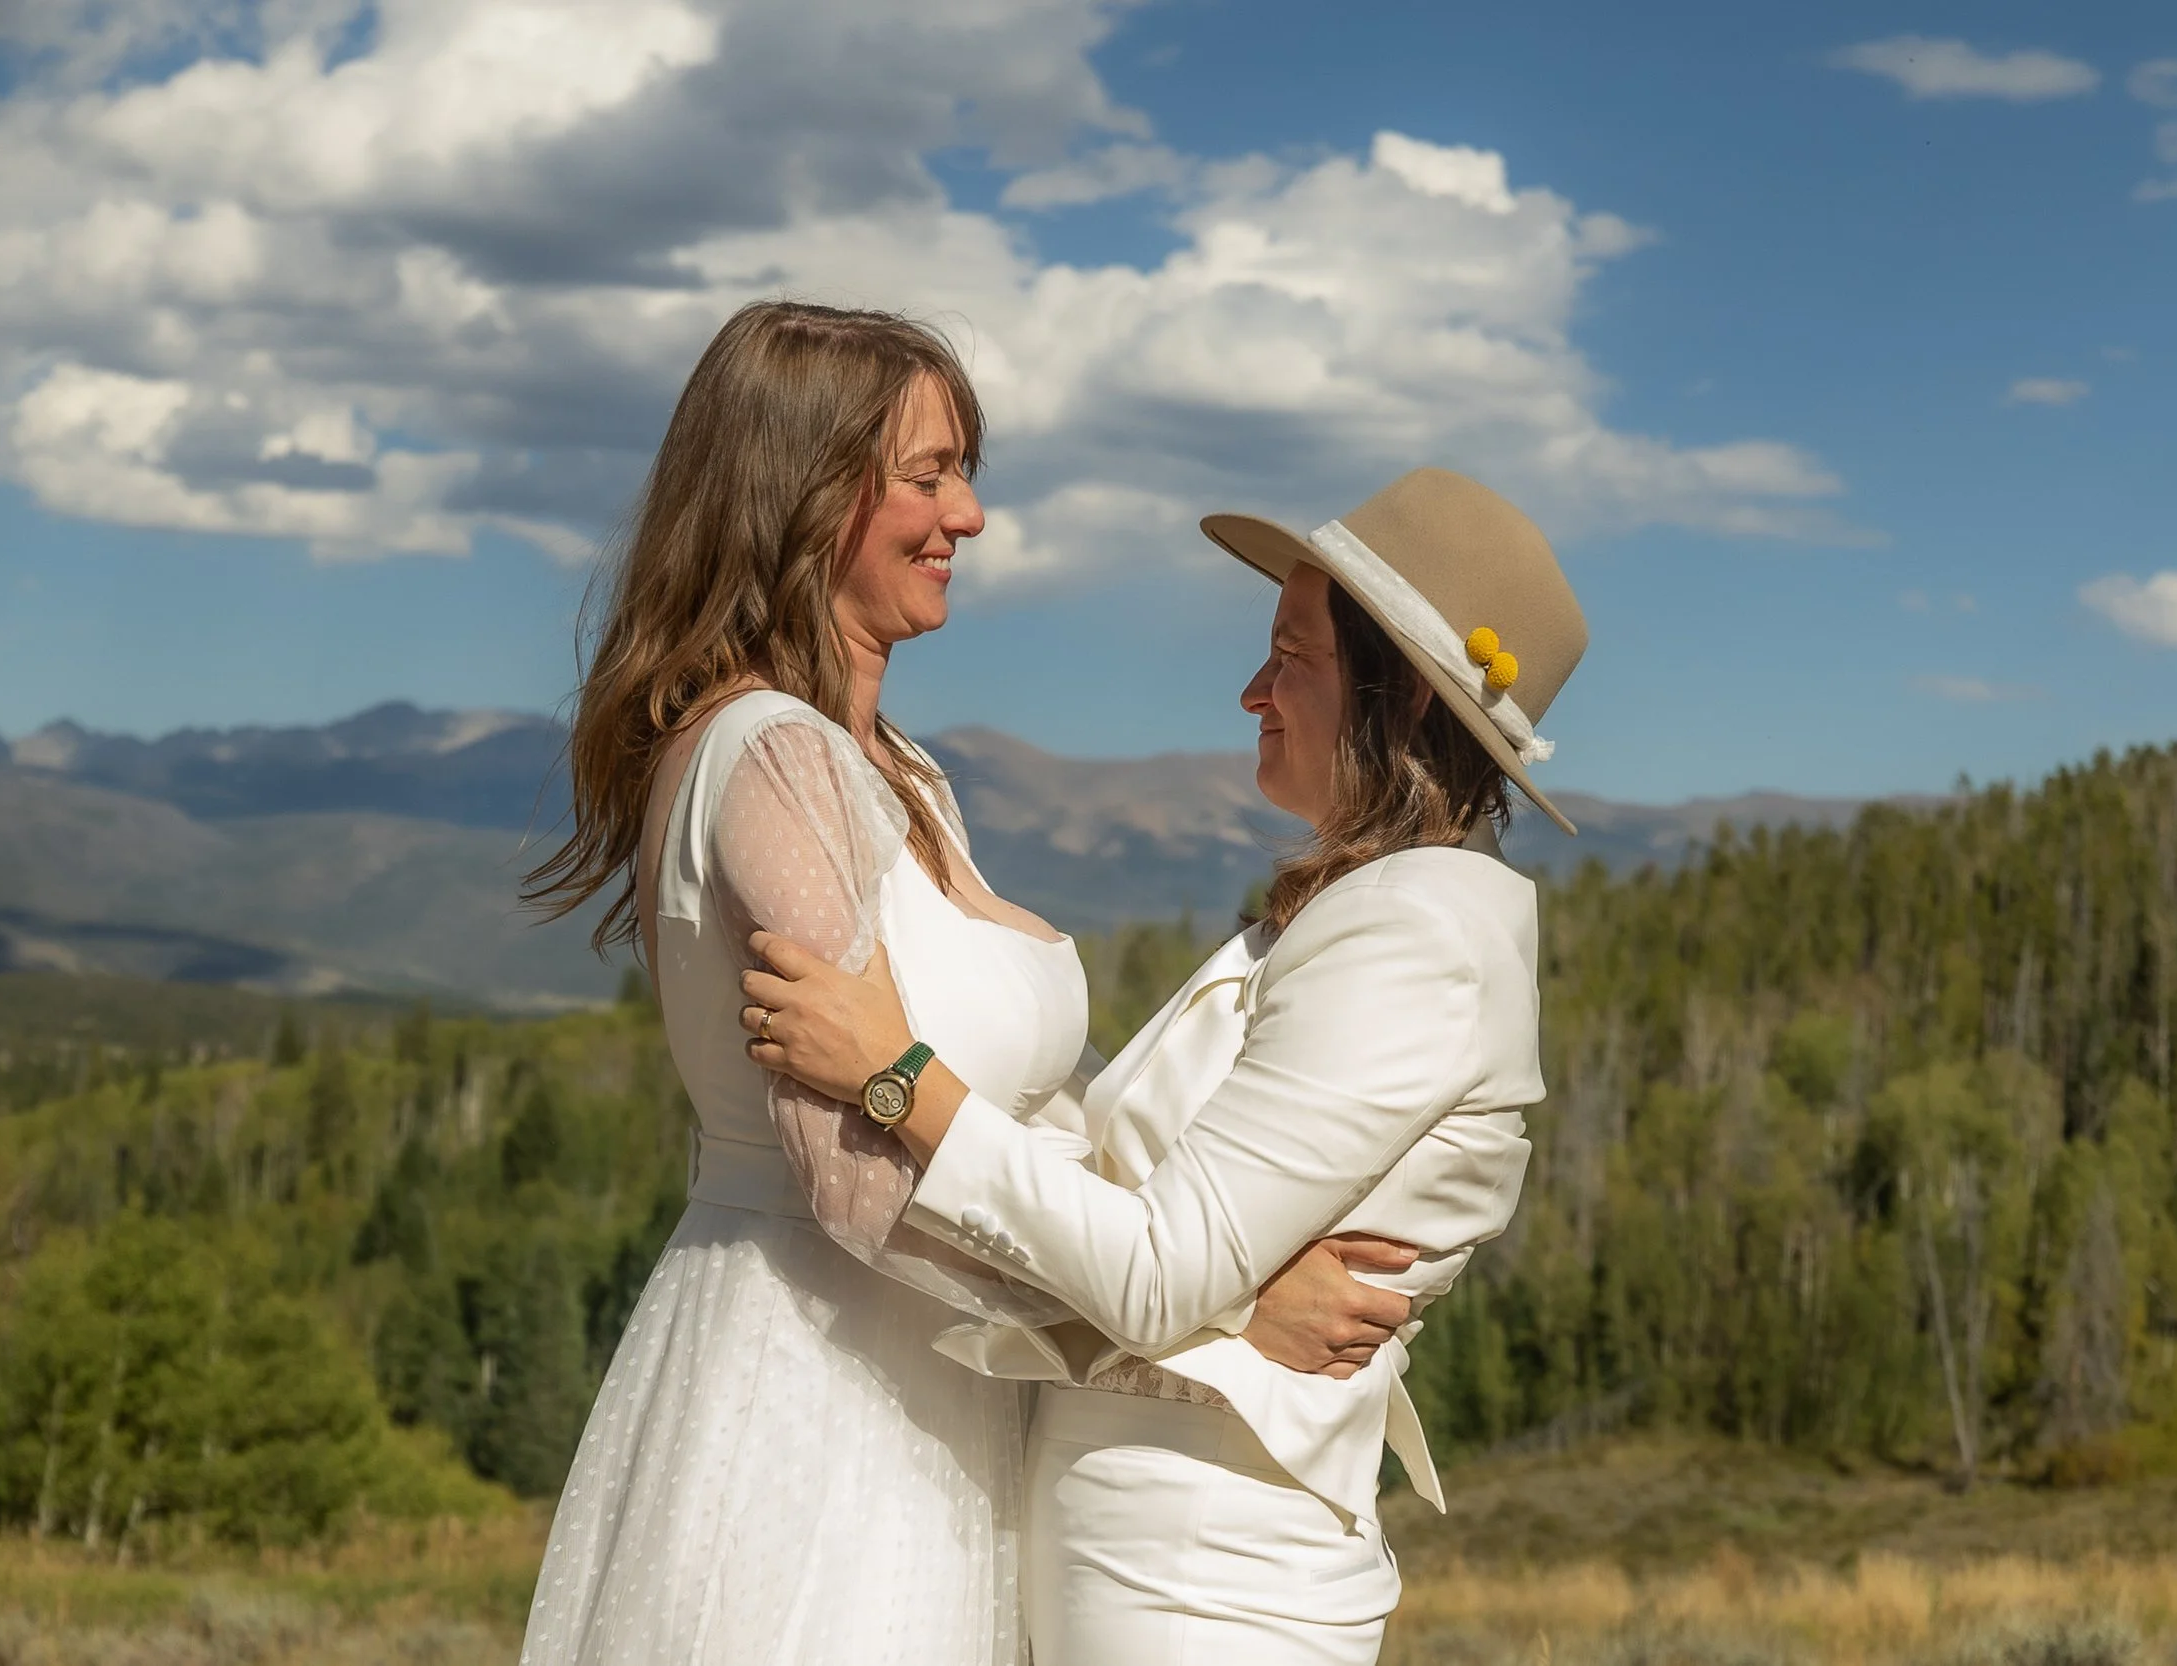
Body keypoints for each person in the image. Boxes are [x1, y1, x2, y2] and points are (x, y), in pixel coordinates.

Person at [515, 300, 1414, 1666]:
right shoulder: (773, 759)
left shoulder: (898, 774)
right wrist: (1208, 1316)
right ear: (801, 489)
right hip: (817, 1411)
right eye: (928, 474)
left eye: (963, 472)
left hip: (937, 1401)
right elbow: (852, 1176)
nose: (971, 514)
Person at [741, 466, 1589, 1664]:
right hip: (1150, 1551)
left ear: (1394, 702)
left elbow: (1152, 1274)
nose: (1250, 690)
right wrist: (1242, 1295)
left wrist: (898, 1079)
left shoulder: (1418, 941)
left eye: (1289, 655)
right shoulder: (1351, 913)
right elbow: (1148, 1210)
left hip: (1202, 1574)